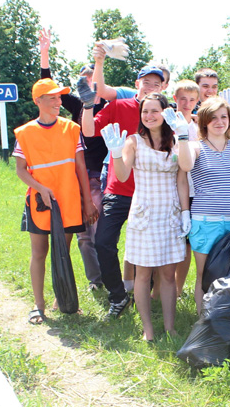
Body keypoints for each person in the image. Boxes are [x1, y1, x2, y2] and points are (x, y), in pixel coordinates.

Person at [80, 55, 167, 319]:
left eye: (156, 83)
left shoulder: (164, 113)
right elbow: (89, 131)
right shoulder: (120, 105)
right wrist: (87, 106)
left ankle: (146, 292)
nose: (151, 87)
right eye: (146, 82)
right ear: (137, 83)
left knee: (151, 247)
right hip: (118, 189)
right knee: (104, 242)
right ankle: (118, 297)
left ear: (162, 89)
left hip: (151, 192)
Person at [100, 94, 190, 341]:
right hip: (144, 213)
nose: (149, 116)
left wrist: (185, 212)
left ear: (165, 112)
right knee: (142, 274)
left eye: (154, 111)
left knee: (168, 275)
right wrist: (116, 153)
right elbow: (122, 174)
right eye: (145, 111)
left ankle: (170, 328)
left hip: (170, 214)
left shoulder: (175, 141)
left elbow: (183, 177)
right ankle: (148, 329)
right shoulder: (133, 141)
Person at [13, 78, 98, 324]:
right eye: (51, 98)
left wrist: (87, 201)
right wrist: (41, 188)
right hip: (39, 202)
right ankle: (38, 306)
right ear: (37, 101)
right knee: (39, 253)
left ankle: (61, 300)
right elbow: (21, 170)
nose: (57, 102)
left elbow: (81, 167)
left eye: (59, 98)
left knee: (63, 252)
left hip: (68, 201)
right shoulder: (26, 133)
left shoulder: (71, 128)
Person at [38, 28, 107, 291]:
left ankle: (113, 280)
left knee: (100, 233)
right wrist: (45, 54)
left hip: (102, 177)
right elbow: (48, 86)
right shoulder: (78, 106)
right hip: (78, 176)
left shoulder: (109, 105)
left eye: (91, 81)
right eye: (83, 82)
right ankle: (96, 281)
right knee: (83, 237)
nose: (87, 86)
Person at [180, 97, 230, 314]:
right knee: (204, 276)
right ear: (204, 121)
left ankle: (225, 321)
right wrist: (183, 137)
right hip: (204, 222)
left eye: (224, 117)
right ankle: (204, 323)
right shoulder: (195, 146)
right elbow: (184, 165)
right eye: (213, 118)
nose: (219, 122)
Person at [171, 80, 201, 298]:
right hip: (168, 188)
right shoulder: (167, 123)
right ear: (175, 99)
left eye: (191, 99)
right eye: (182, 99)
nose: (187, 103)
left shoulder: (200, 127)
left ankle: (178, 289)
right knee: (167, 241)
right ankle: (159, 290)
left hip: (193, 191)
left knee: (186, 245)